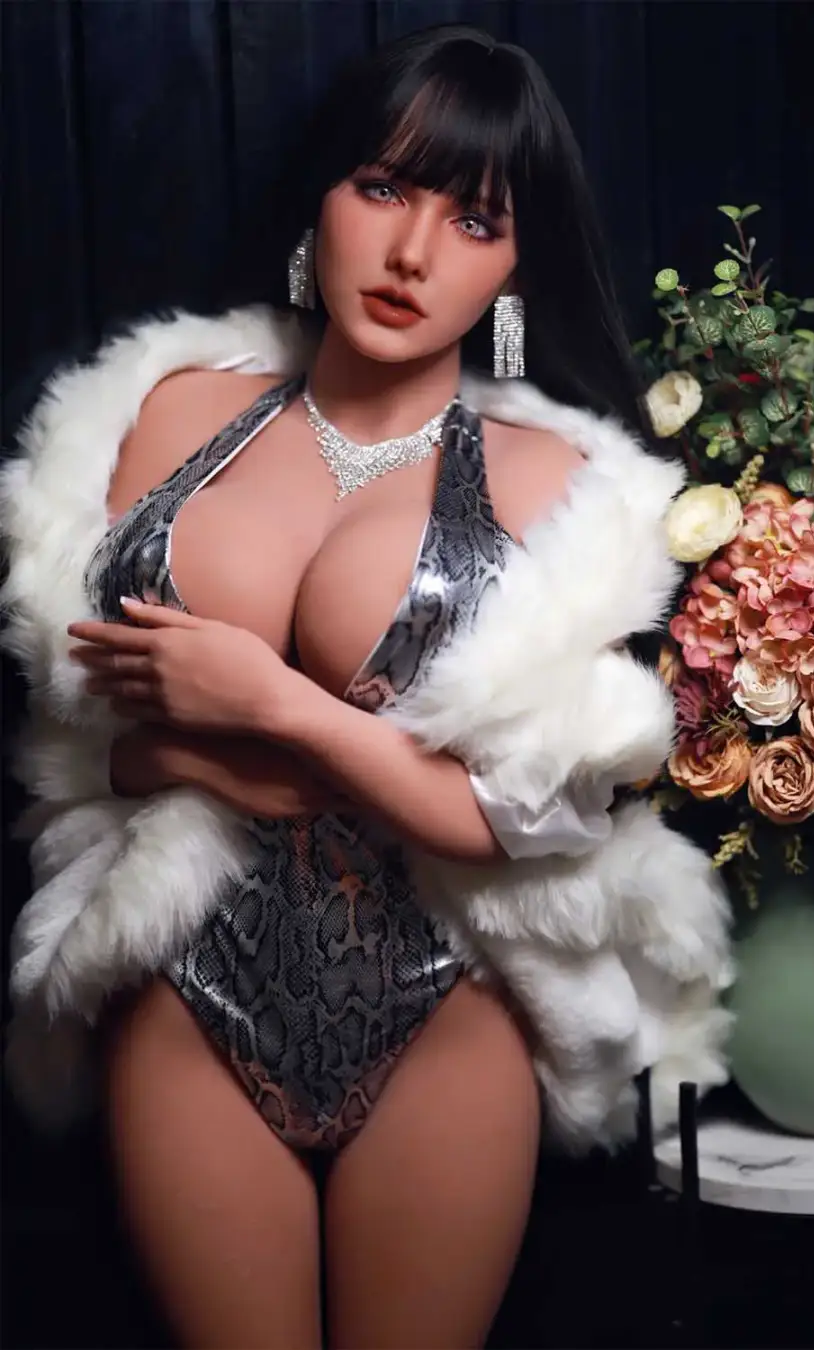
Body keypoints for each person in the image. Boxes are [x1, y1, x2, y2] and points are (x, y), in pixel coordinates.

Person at [1, 23, 732, 1350]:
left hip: (442, 1002)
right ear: (321, 200)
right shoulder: (164, 411)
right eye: (384, 187)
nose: (413, 253)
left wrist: (271, 706)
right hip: (184, 977)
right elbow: (75, 739)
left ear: (515, 267)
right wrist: (202, 757)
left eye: (474, 219)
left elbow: (530, 822)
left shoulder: (563, 496)